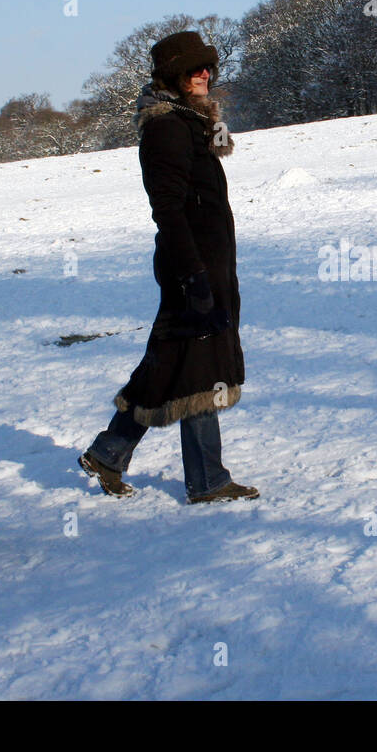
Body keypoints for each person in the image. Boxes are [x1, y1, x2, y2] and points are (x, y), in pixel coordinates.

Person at [78, 30, 257, 504]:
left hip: (205, 263)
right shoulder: (167, 128)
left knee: (175, 363)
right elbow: (168, 209)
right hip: (191, 266)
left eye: (207, 67)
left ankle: (110, 453)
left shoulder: (188, 122)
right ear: (172, 76)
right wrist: (193, 274)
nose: (204, 74)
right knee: (198, 365)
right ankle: (208, 480)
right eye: (194, 68)